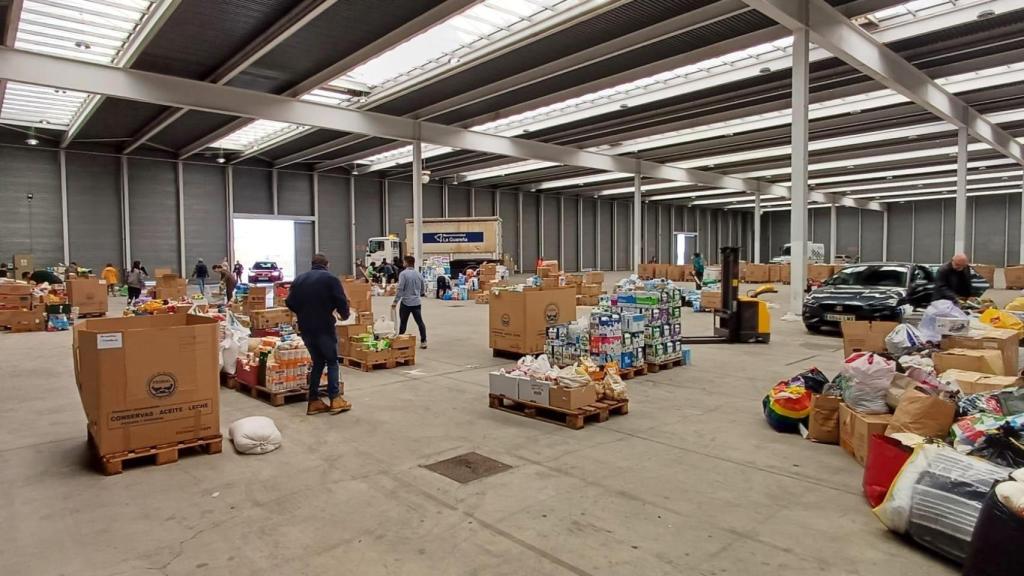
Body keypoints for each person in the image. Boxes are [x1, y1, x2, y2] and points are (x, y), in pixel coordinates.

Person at [286, 253, 352, 415]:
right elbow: (340, 300)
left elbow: (290, 302)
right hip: (324, 326)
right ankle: (335, 398)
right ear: (327, 264)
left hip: (306, 328)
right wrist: (344, 315)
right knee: (331, 361)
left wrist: (303, 313)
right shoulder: (330, 279)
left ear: (312, 264)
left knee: (317, 362)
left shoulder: (299, 280)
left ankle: (314, 400)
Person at [392, 255, 427, 349]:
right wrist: (419, 294)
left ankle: (400, 341)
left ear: (406, 263)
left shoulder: (403, 274)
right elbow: (423, 288)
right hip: (416, 302)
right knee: (420, 322)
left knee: (403, 323)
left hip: (406, 303)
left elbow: (400, 289)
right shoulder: (419, 274)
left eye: (404, 262)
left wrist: (395, 301)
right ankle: (424, 341)